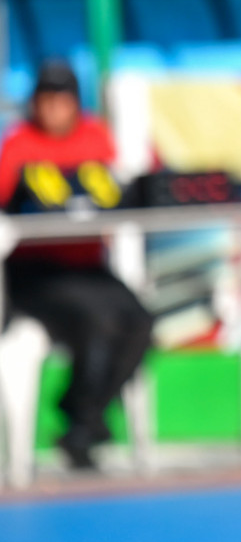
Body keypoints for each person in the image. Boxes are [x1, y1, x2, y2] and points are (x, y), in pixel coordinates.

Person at [0, 61, 154, 470]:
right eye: (46, 99)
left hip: (87, 267)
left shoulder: (95, 137)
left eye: (61, 99)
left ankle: (81, 419)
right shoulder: (18, 144)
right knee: (99, 321)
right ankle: (83, 423)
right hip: (36, 272)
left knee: (139, 321)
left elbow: (112, 194)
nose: (53, 109)